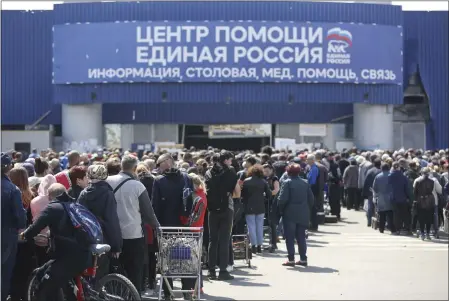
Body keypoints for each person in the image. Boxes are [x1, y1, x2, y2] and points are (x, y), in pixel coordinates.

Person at [19, 183, 92, 301]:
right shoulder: (75, 205)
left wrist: (24, 235)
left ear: (49, 196)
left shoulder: (52, 208)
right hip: (85, 255)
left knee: (44, 287)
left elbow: (36, 227)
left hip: (66, 258)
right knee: (60, 279)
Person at [108, 155, 160, 294]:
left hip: (111, 235)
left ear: (121, 166)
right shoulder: (137, 186)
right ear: (135, 168)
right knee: (134, 272)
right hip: (133, 234)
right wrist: (157, 227)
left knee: (114, 272)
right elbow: (148, 213)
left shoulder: (107, 181)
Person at [151, 153, 195, 299]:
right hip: (184, 226)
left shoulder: (158, 181)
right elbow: (191, 201)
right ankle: (187, 290)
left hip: (166, 226)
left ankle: (168, 293)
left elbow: (154, 206)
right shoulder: (186, 178)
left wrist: (155, 226)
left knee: (166, 261)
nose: (158, 167)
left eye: (160, 163)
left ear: (168, 162)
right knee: (184, 258)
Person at [78, 164, 122, 279]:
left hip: (86, 238)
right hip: (104, 238)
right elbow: (112, 220)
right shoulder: (108, 193)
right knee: (102, 275)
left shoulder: (83, 193)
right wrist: (116, 246)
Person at [205, 151, 240, 281]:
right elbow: (237, 192)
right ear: (225, 160)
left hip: (212, 210)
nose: (231, 162)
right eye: (230, 160)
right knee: (225, 240)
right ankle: (223, 271)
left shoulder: (208, 172)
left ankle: (211, 270)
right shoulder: (231, 172)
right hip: (227, 208)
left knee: (212, 240)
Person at [278, 164, 314, 267]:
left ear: (288, 172)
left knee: (289, 237)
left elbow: (282, 199)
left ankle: (291, 259)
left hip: (289, 213)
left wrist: (281, 210)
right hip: (303, 212)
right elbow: (311, 199)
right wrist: (307, 209)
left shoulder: (286, 183)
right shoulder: (305, 183)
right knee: (301, 237)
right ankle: (303, 259)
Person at [1, 153, 27, 301]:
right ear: (9, 167)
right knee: (4, 275)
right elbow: (20, 219)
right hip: (6, 238)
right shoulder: (13, 190)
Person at [8, 167, 35, 301]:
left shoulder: (9, 194)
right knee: (25, 272)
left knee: (12, 271)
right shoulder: (32, 197)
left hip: (11, 237)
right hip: (27, 239)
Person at [241, 164, 271, 254]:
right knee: (259, 226)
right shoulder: (263, 182)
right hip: (260, 206)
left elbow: (242, 195)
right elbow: (269, 195)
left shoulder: (246, 181)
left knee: (251, 227)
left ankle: (253, 246)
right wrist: (263, 198)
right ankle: (259, 246)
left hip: (249, 206)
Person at [30, 174, 57, 266]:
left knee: (40, 262)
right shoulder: (57, 202)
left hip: (37, 237)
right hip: (53, 239)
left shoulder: (34, 201)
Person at [413, 167, 443, 240]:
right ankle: (428, 233)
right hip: (430, 201)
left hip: (420, 201)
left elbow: (415, 193)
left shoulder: (417, 181)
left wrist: (416, 200)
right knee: (429, 218)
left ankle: (422, 233)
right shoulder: (432, 181)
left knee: (421, 218)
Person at [389, 162, 412, 235]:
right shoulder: (404, 177)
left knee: (396, 214)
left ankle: (397, 229)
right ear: (399, 168)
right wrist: (408, 197)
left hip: (393, 198)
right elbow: (407, 188)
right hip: (403, 198)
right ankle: (406, 229)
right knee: (404, 214)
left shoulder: (390, 176)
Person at [372, 163, 396, 234]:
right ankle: (392, 228)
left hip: (381, 198)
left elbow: (374, 188)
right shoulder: (392, 176)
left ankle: (381, 228)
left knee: (382, 215)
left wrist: (375, 197)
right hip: (391, 197)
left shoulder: (378, 177)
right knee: (390, 215)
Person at [263, 164, 280, 252]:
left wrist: (267, 194)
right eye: (264, 171)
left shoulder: (274, 178)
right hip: (266, 203)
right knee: (269, 224)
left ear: (272, 170)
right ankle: (272, 243)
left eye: (267, 171)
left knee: (272, 224)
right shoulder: (264, 178)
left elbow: (277, 190)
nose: (265, 173)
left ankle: (273, 243)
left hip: (272, 202)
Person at [362, 159, 382, 227]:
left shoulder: (369, 171)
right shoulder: (381, 172)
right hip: (379, 192)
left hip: (370, 191)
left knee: (370, 207)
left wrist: (364, 193)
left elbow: (366, 182)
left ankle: (369, 221)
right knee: (378, 207)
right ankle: (378, 222)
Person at [306, 154, 320, 231]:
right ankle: (312, 224)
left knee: (313, 208)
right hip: (311, 189)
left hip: (312, 190)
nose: (306, 161)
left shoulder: (314, 169)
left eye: (308, 159)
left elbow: (313, 181)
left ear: (312, 160)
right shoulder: (311, 168)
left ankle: (314, 225)